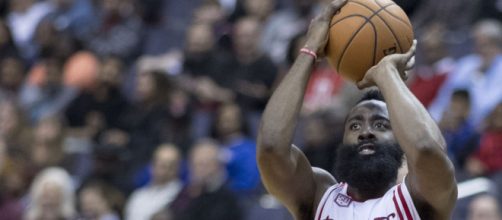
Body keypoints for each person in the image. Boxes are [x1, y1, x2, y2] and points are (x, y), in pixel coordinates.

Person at [256, 0, 458, 219]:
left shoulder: (420, 197)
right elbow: (271, 147)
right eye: (354, 125)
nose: (365, 131)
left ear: (402, 140)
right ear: (342, 140)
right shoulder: (319, 195)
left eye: (380, 124)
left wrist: (386, 74)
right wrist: (310, 48)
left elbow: (427, 148)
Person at [125, 144, 183, 220]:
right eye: (160, 163)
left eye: (170, 164)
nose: (164, 169)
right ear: (152, 164)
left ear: (178, 167)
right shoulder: (137, 196)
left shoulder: (182, 195)